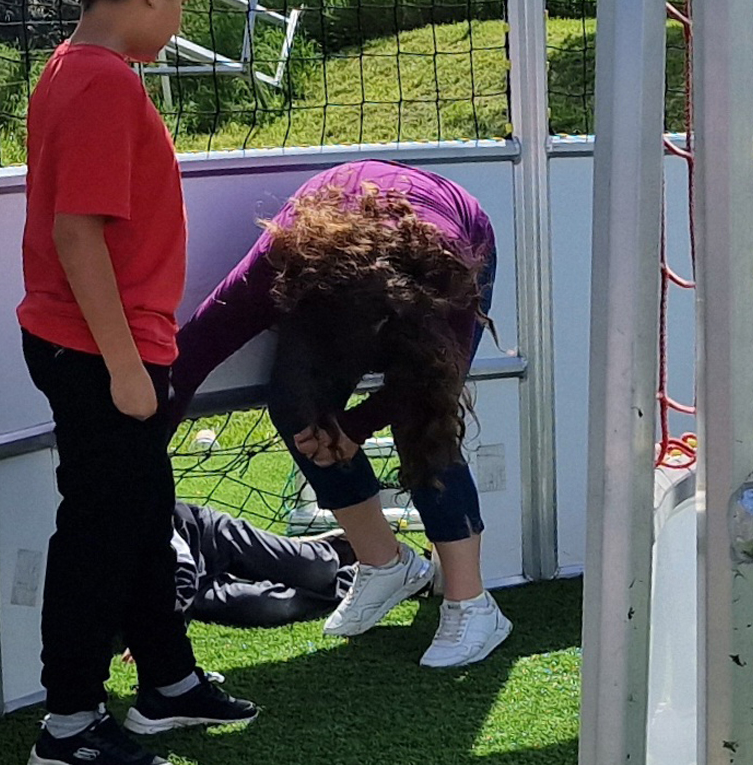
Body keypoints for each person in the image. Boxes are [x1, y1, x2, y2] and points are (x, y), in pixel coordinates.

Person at [15, 0, 259, 765]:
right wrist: (124, 365)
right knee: (97, 532)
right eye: (180, 3)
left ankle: (167, 680)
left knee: (139, 514)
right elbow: (76, 233)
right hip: (96, 350)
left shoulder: (81, 69)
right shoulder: (102, 81)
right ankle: (70, 721)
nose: (180, 22)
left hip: (104, 341)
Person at [166, 161, 514, 668]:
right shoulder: (282, 258)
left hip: (442, 249)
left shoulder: (446, 272)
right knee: (294, 402)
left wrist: (355, 426)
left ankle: (472, 604)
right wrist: (143, 440)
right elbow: (196, 346)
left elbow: (434, 382)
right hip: (339, 252)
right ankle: (384, 563)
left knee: (423, 426)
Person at [168, 499, 351, 628]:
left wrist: (169, 625)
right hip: (196, 590)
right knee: (271, 605)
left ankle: (328, 547)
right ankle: (350, 581)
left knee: (320, 568)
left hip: (207, 535)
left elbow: (183, 563)